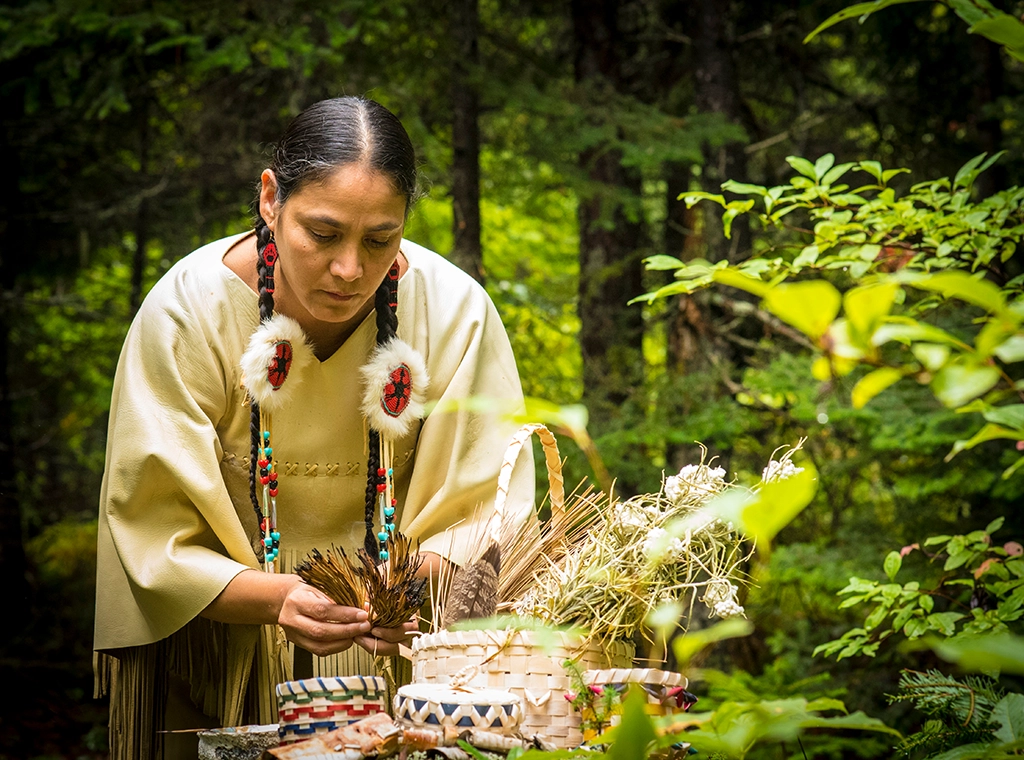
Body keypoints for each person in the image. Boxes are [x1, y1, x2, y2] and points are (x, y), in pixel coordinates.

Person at [93, 96, 534, 760]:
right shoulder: (186, 313)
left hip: (396, 668)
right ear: (270, 198)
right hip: (214, 656)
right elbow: (151, 527)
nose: (351, 269)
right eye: (323, 234)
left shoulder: (456, 314)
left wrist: (405, 593)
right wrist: (276, 598)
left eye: (381, 238)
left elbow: (485, 510)